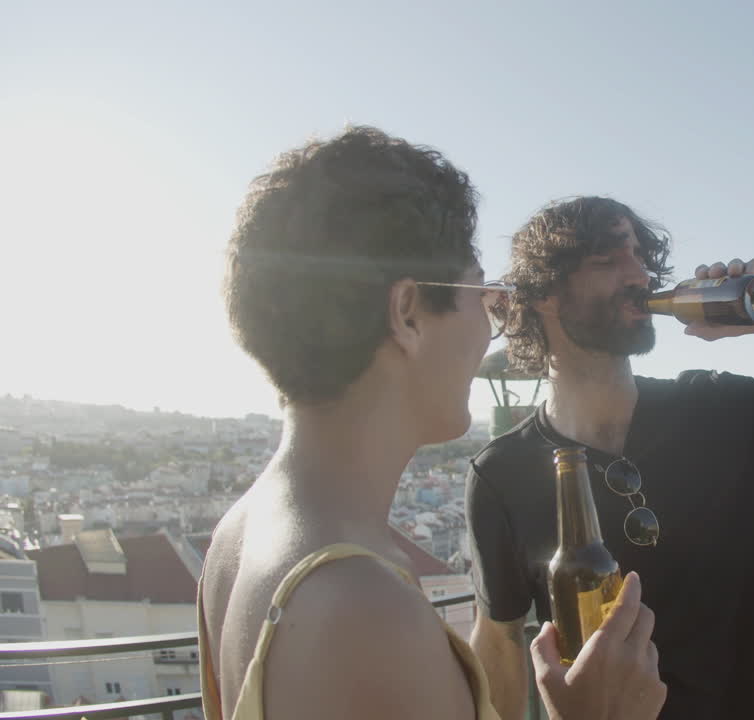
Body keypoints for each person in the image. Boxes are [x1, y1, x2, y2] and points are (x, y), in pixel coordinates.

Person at [199, 129, 666, 720]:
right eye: (478, 291)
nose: (494, 317)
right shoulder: (366, 611)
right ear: (409, 314)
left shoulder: (234, 540)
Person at [466, 196, 754, 719]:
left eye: (639, 257)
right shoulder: (501, 473)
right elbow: (499, 643)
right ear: (544, 295)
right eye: (607, 261)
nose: (639, 276)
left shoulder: (722, 408)